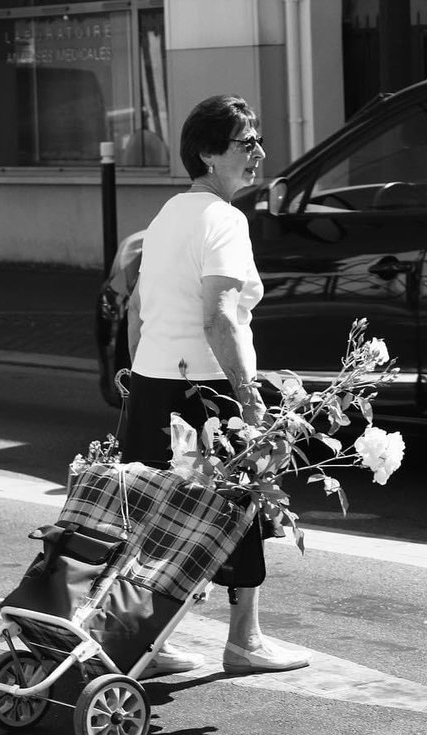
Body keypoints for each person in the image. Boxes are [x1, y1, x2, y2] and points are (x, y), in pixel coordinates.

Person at [118, 94, 310, 677]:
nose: (259, 152)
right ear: (207, 154)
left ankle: (147, 642)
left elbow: (135, 312)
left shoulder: (168, 214)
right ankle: (244, 641)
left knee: (153, 519)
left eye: (256, 140)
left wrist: (141, 378)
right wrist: (249, 397)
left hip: (153, 386)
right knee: (239, 509)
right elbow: (221, 315)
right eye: (244, 142)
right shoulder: (225, 220)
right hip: (204, 392)